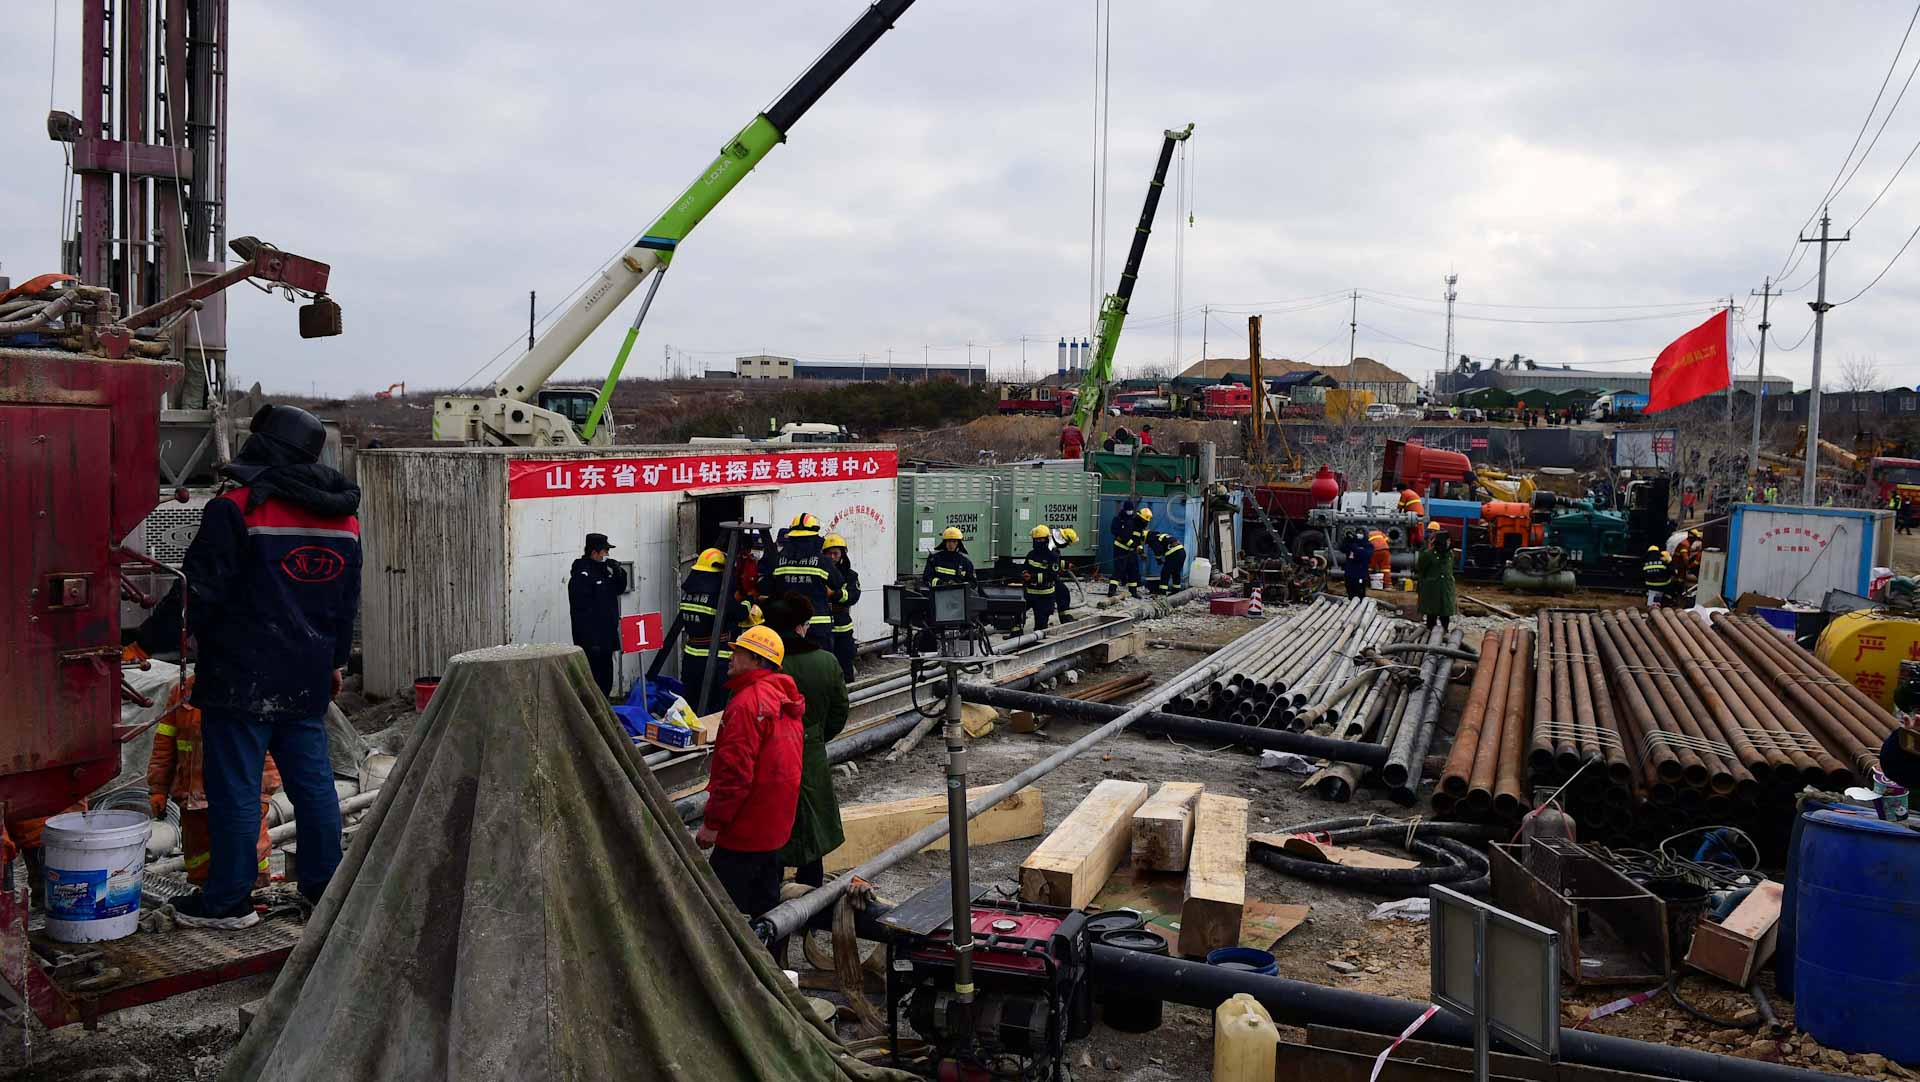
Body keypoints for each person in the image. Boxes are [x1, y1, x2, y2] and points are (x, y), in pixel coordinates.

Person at [168, 403, 360, 929]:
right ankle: (325, 892)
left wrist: (160, 640)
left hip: (240, 676)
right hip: (307, 673)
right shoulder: (343, 518)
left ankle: (228, 901)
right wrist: (336, 661)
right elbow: (346, 602)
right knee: (314, 785)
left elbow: (200, 595)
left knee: (235, 789)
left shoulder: (236, 509)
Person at [695, 625, 803, 924]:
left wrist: (712, 825)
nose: (731, 657)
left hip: (745, 830)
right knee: (766, 911)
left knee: (716, 913)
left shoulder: (746, 705)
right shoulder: (782, 698)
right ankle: (771, 963)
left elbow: (735, 776)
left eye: (738, 652)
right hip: (774, 825)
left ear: (756, 660)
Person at [146, 668, 280, 890]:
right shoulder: (183, 692)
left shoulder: (251, 688)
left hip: (239, 799)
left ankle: (256, 891)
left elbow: (266, 750)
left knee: (249, 849)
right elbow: (164, 746)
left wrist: (264, 795)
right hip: (194, 799)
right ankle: (204, 893)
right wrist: (158, 788)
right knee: (199, 856)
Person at [767, 596, 847, 891]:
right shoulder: (826, 661)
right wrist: (814, 736)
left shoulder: (766, 665)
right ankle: (810, 899)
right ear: (801, 626)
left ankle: (771, 898)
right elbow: (840, 711)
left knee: (771, 824)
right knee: (812, 825)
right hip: (810, 751)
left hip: (771, 755)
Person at [678, 548, 748, 712]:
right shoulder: (718, 595)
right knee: (717, 707)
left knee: (692, 705)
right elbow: (740, 614)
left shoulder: (688, 592)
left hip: (691, 657)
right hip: (716, 658)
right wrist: (747, 602)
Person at [761, 513, 843, 649]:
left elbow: (766, 587)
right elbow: (838, 583)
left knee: (790, 667)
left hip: (787, 626)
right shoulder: (823, 561)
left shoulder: (779, 560)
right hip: (818, 626)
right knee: (819, 666)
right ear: (815, 538)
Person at [569, 532, 627, 696]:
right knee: (594, 681)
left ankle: (605, 709)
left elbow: (619, 588)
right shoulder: (582, 575)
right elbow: (581, 612)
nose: (607, 555)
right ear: (594, 553)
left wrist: (619, 572)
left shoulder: (604, 572)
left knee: (606, 679)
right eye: (604, 552)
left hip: (606, 638)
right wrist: (590, 640)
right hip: (592, 641)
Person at [817, 534, 861, 681]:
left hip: (842, 628)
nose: (832, 557)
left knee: (845, 666)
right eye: (828, 553)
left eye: (835, 553)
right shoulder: (819, 573)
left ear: (842, 554)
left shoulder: (850, 575)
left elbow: (853, 596)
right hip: (823, 629)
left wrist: (834, 594)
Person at [1021, 525, 1062, 631]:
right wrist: (1024, 573)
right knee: (1016, 614)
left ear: (1047, 539)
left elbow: (1052, 576)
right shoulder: (1031, 555)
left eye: (1041, 539)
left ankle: (1037, 643)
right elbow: (1025, 567)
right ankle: (1015, 635)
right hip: (1029, 594)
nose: (1039, 541)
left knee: (1040, 626)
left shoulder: (1053, 556)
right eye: (1036, 539)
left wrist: (1033, 577)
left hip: (1045, 596)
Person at [1414, 532, 1457, 634]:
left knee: (1445, 611)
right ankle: (1430, 631)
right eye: (1447, 540)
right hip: (1432, 587)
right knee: (1431, 611)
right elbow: (1421, 568)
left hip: (1446, 587)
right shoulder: (1428, 555)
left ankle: (1444, 631)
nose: (1449, 543)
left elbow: (1450, 569)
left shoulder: (1450, 554)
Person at [1049, 526, 1082, 622]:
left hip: (1048, 575)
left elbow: (1055, 561)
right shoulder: (1050, 546)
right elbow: (1050, 562)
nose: (1067, 546)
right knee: (1062, 592)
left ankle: (1065, 617)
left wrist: (1067, 564)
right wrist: (1064, 565)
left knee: (1063, 592)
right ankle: (1065, 618)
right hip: (1046, 577)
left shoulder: (1052, 544)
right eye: (1067, 543)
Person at [1145, 529, 1186, 595]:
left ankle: (1162, 591)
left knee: (1165, 572)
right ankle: (1176, 591)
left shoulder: (1153, 539)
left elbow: (1158, 551)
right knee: (1176, 572)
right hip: (1182, 552)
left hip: (1174, 553)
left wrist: (1159, 560)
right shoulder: (1159, 536)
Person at [1340, 530, 1374, 599]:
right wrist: (1346, 540)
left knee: (1360, 595)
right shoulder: (1352, 543)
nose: (1359, 535)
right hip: (1349, 575)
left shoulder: (1368, 545)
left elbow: (1363, 554)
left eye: (1361, 533)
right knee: (1350, 595)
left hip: (1360, 575)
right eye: (1358, 533)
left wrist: (1354, 547)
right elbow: (1342, 548)